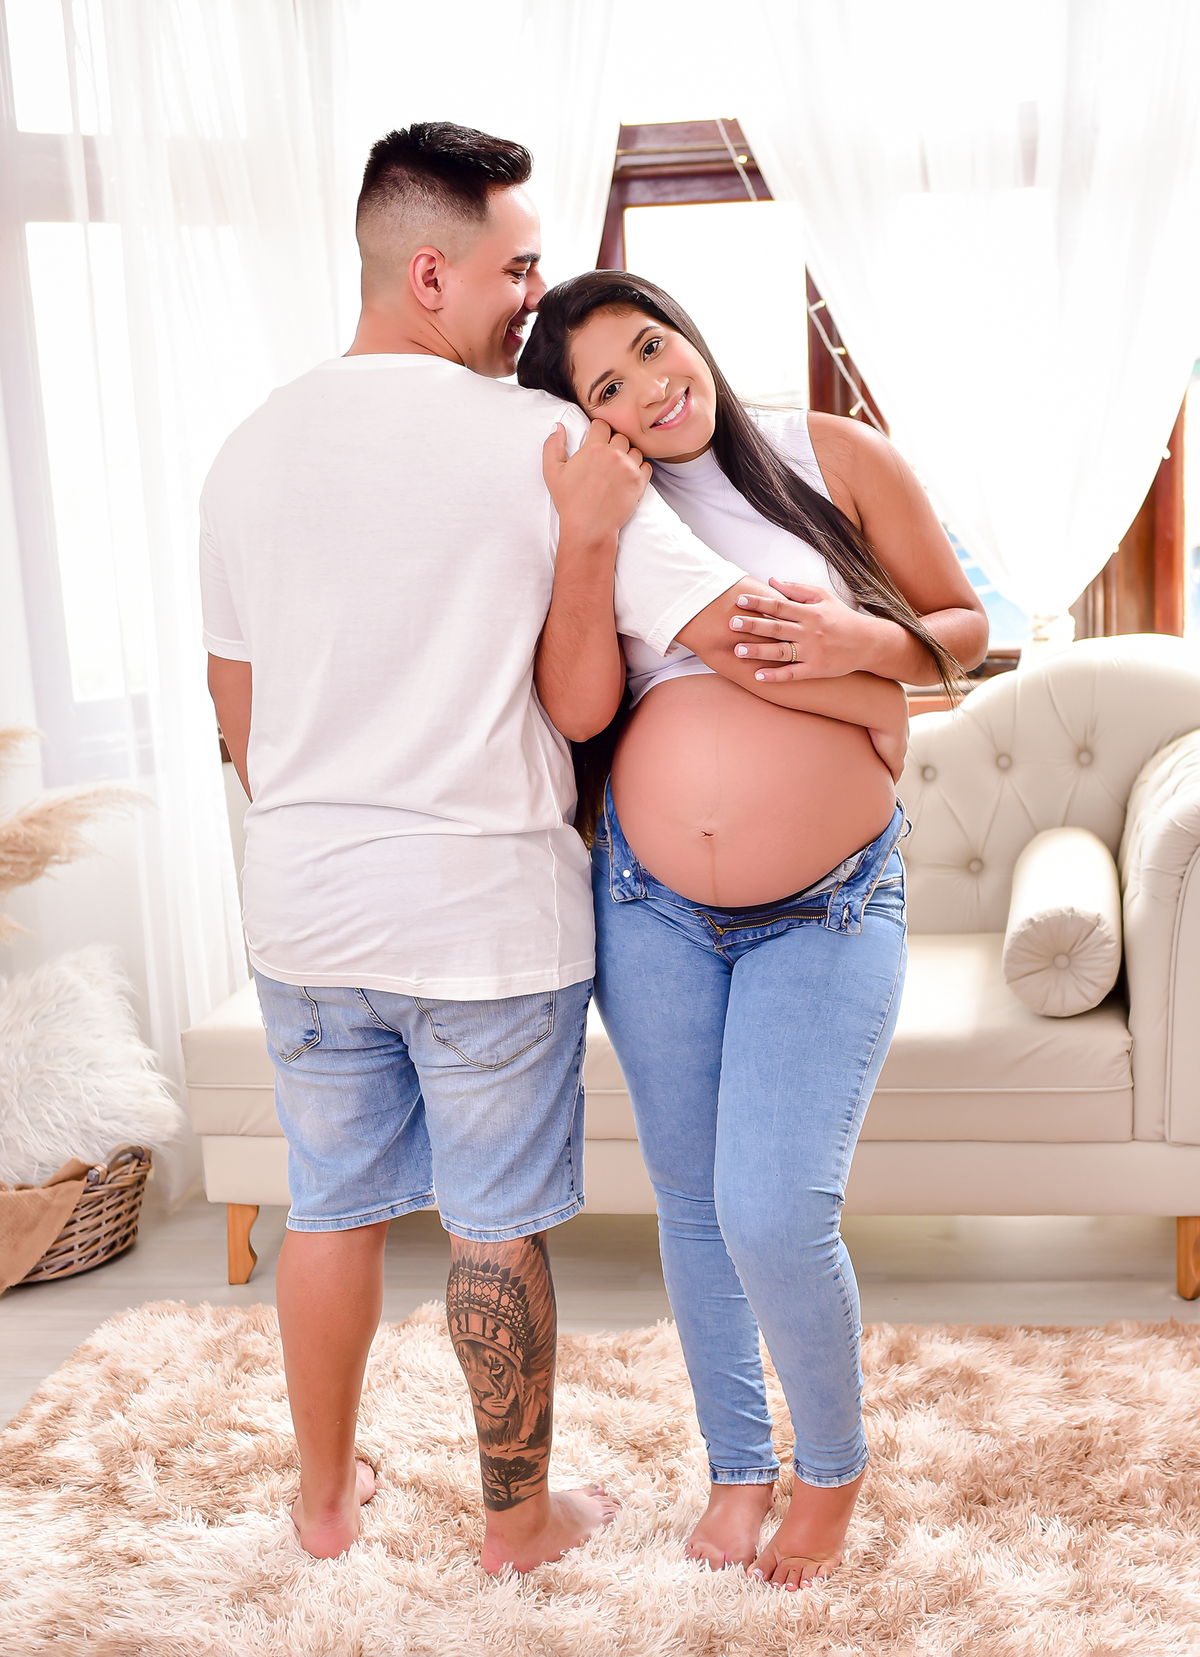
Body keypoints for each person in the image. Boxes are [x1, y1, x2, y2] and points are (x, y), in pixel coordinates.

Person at [199, 122, 888, 1574]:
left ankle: (324, 1508)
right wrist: (896, 688)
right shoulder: (542, 442)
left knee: (331, 1211)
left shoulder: (246, 452)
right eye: (517, 269)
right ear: (430, 272)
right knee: (495, 1229)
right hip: (484, 916)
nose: (533, 297)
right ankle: (517, 1526)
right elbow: (719, 637)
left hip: (307, 914)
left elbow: (238, 726)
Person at [518, 271, 989, 1588]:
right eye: (607, 387)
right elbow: (577, 708)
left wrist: (863, 646)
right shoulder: (608, 513)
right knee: (691, 1204)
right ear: (587, 420)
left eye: (651, 345)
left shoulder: (830, 455)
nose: (651, 388)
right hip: (651, 906)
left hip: (830, 903)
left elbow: (961, 630)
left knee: (773, 1210)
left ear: (688, 330)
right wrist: (589, 540)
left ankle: (830, 1469)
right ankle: (738, 1467)